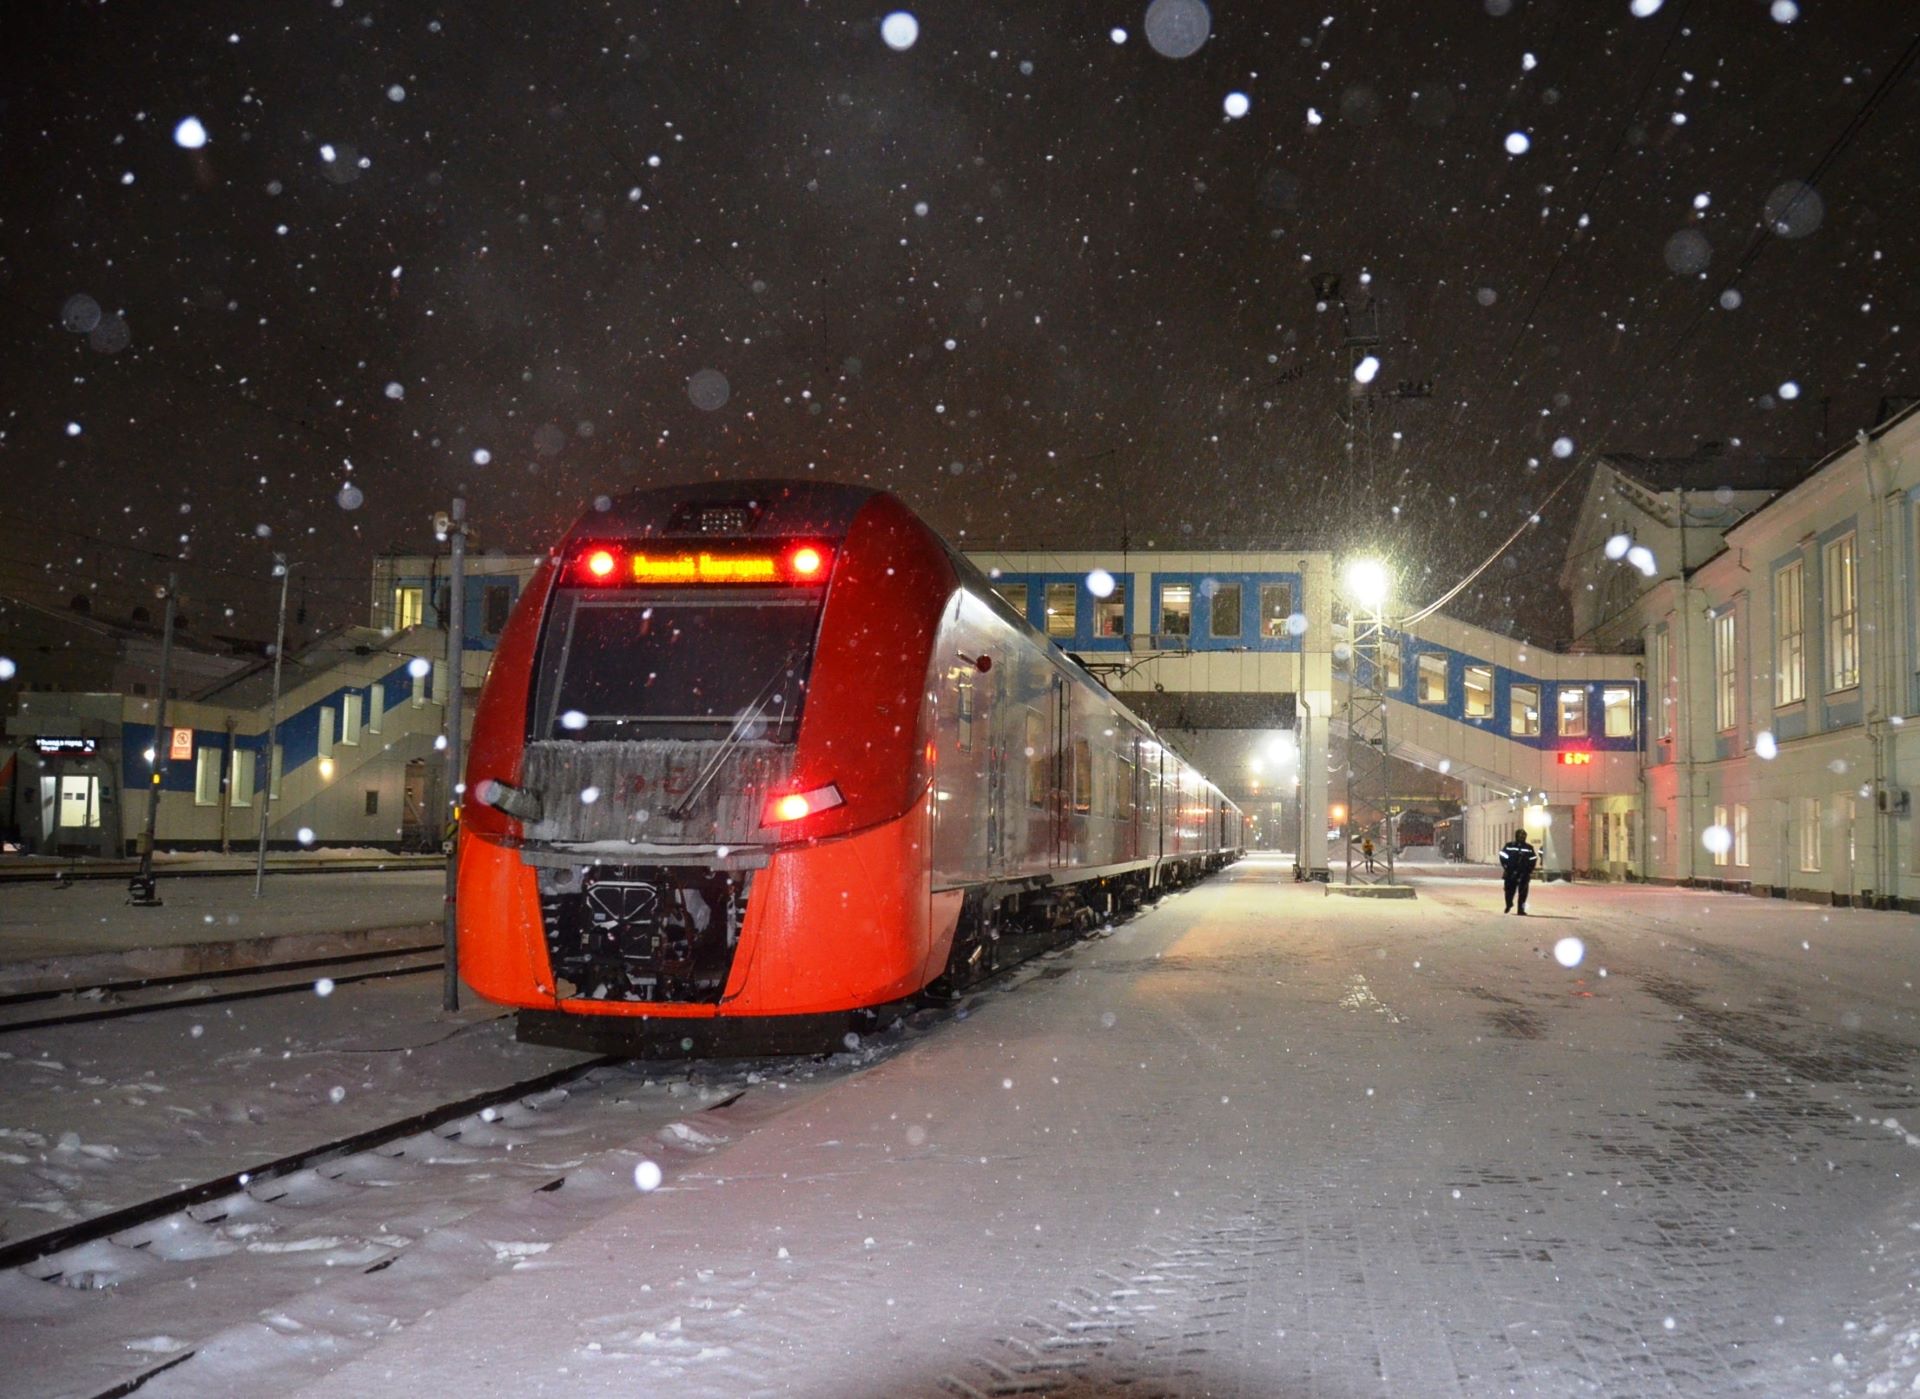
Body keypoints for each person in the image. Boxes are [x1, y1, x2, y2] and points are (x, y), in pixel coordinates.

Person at [1499, 828, 1537, 914]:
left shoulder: (1529, 847)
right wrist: (1506, 866)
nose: (1522, 837)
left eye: (1523, 836)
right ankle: (1509, 904)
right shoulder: (1509, 846)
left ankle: (1521, 910)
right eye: (1520, 836)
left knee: (1523, 893)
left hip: (1524, 873)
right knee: (1509, 891)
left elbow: (1533, 859)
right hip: (1510, 871)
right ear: (1516, 836)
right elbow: (1502, 856)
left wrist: (1529, 870)